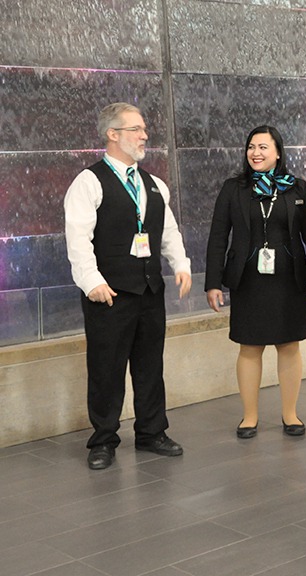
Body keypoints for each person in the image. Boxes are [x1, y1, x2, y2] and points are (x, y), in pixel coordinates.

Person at [64, 102, 192, 470]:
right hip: (109, 294)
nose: (144, 135)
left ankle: (152, 432)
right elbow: (78, 239)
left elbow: (167, 231)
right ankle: (103, 440)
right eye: (136, 129)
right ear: (113, 134)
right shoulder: (88, 182)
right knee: (106, 368)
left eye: (143, 128)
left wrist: (180, 265)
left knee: (150, 365)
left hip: (150, 291)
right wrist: (91, 281)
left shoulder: (153, 184)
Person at [205, 125, 306, 439]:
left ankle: (290, 414)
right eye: (251, 147)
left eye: (263, 147)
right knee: (250, 346)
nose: (255, 153)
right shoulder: (233, 188)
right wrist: (213, 282)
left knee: (289, 345)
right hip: (248, 279)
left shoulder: (297, 188)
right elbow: (218, 237)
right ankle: (249, 417)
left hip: (289, 279)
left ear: (278, 152)